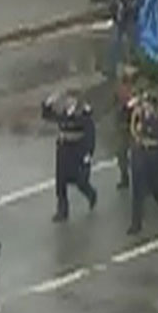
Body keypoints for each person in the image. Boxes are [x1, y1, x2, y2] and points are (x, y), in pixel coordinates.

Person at [42, 91, 98, 221]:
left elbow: (90, 135)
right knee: (61, 181)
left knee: (80, 181)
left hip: (77, 150)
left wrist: (88, 154)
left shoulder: (82, 116)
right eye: (66, 100)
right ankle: (62, 211)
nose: (67, 103)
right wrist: (48, 103)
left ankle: (91, 194)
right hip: (63, 150)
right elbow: (47, 115)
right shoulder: (63, 114)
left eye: (70, 101)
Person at [128, 94, 158, 235]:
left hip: (154, 156)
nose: (145, 107)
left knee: (156, 188)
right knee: (138, 191)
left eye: (148, 104)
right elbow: (131, 126)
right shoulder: (139, 116)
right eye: (144, 104)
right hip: (141, 155)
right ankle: (136, 224)